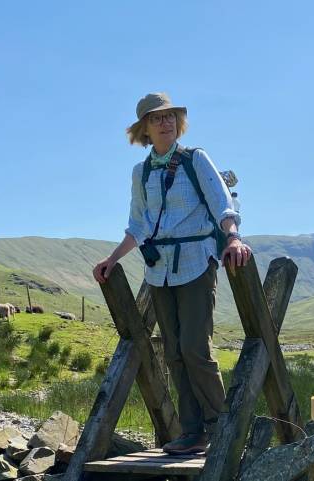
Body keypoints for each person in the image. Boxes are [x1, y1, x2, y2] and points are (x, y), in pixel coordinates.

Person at [92, 92, 251, 455]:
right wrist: (112, 259)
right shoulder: (141, 172)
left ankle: (220, 429)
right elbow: (138, 223)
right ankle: (192, 432)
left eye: (170, 117)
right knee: (174, 353)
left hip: (197, 263)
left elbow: (221, 202)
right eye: (156, 118)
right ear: (144, 130)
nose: (165, 123)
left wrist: (233, 237)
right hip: (159, 270)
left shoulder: (196, 159)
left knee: (196, 348)